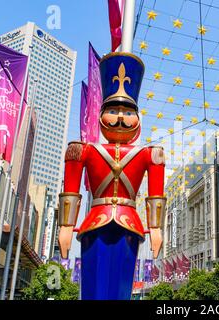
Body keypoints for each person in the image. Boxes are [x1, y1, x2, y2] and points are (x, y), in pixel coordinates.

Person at [57, 52, 166, 300]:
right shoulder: (82, 149)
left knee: (121, 288)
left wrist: (156, 229)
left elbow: (156, 193)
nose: (120, 117)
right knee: (93, 288)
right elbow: (71, 188)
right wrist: (65, 226)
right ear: (101, 114)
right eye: (113, 110)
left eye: (127, 112)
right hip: (94, 222)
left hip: (130, 224)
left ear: (137, 118)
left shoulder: (151, 153)